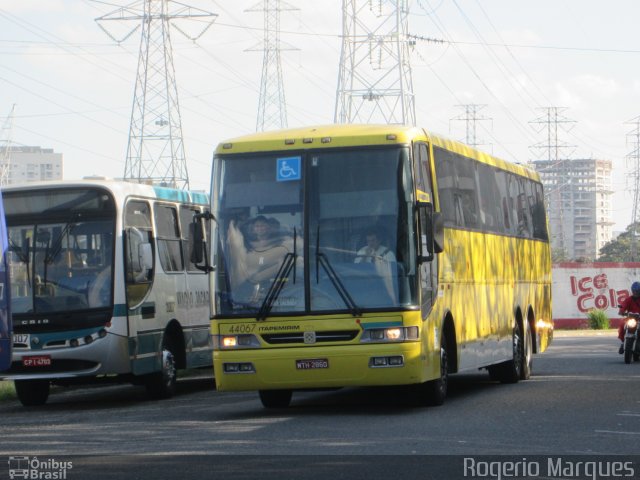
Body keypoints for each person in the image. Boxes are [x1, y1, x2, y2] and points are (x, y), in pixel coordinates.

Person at [226, 215, 295, 292]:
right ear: (253, 229)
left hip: (275, 287)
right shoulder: (248, 245)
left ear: (268, 227)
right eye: (257, 226)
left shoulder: (279, 243)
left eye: (262, 226)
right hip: (251, 287)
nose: (260, 228)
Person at [617, 281, 640, 353]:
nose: (635, 292)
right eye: (634, 291)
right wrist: (621, 311)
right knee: (621, 324)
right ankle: (623, 342)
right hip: (630, 319)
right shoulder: (629, 299)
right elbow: (623, 306)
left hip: (639, 319)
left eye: (637, 291)